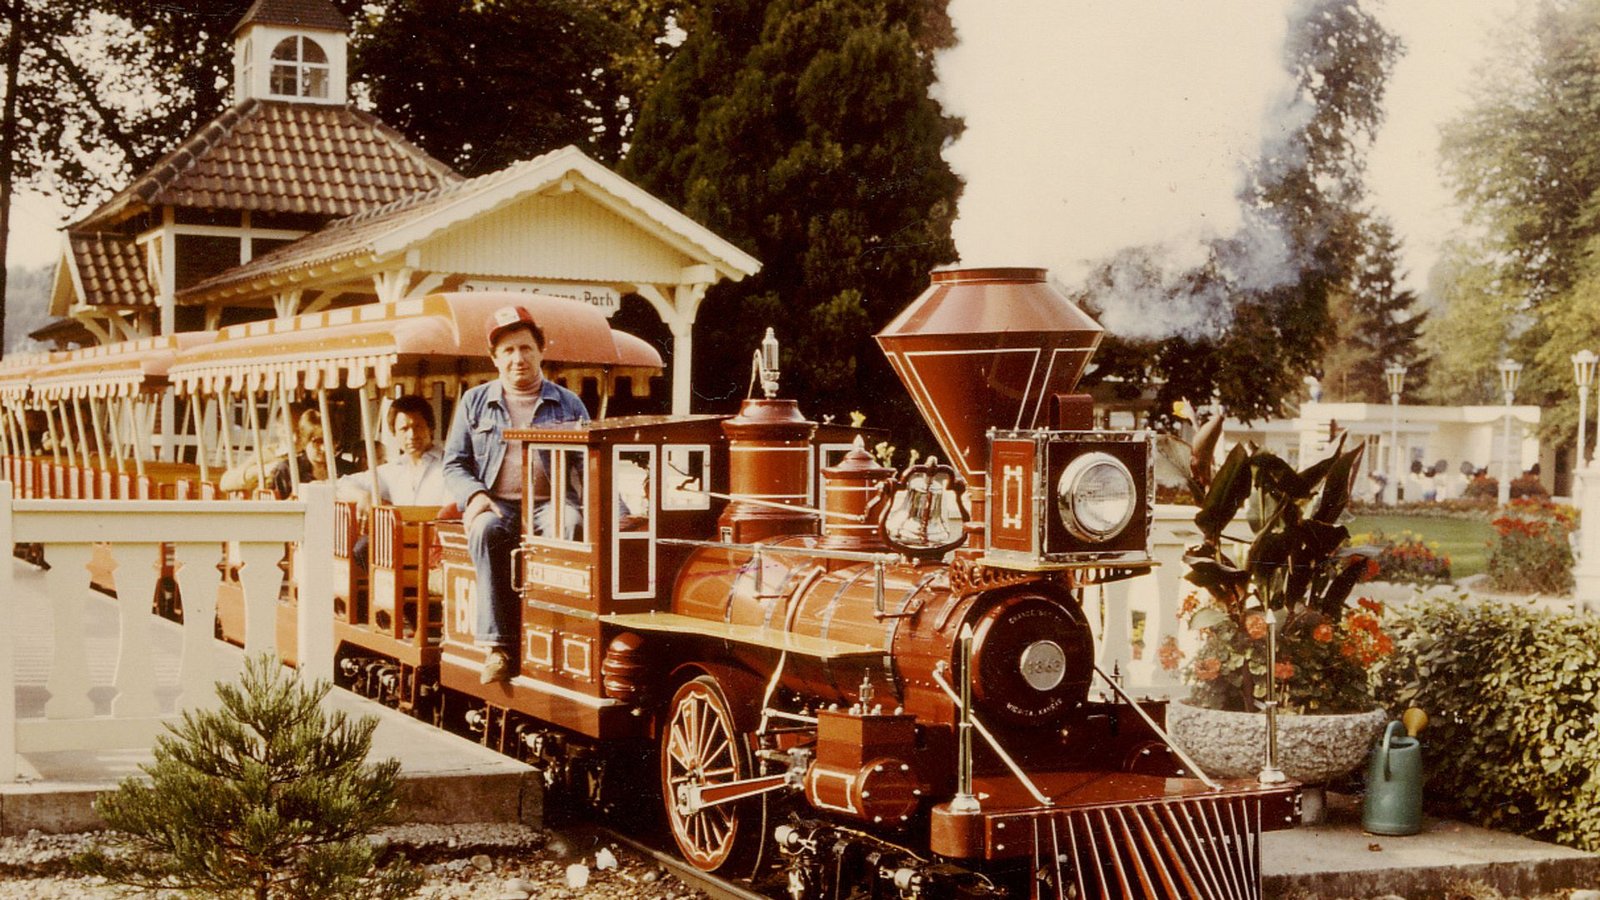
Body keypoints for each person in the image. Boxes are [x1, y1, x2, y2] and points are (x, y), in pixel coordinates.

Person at [443, 305, 589, 684]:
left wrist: (619, 514)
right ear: (494, 358)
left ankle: (558, 634)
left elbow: (590, 466)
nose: (517, 358)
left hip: (549, 504)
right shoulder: (474, 402)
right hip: (497, 504)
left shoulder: (569, 404)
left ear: (541, 351)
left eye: (525, 348)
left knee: (569, 523)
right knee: (484, 530)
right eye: (507, 350)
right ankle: (498, 648)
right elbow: (454, 464)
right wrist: (474, 496)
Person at [337, 394, 446, 567]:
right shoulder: (393, 470)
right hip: (398, 556)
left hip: (437, 552)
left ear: (431, 428)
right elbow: (343, 484)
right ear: (394, 434)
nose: (412, 435)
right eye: (404, 429)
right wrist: (363, 495)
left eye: (418, 426)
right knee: (363, 547)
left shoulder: (451, 466)